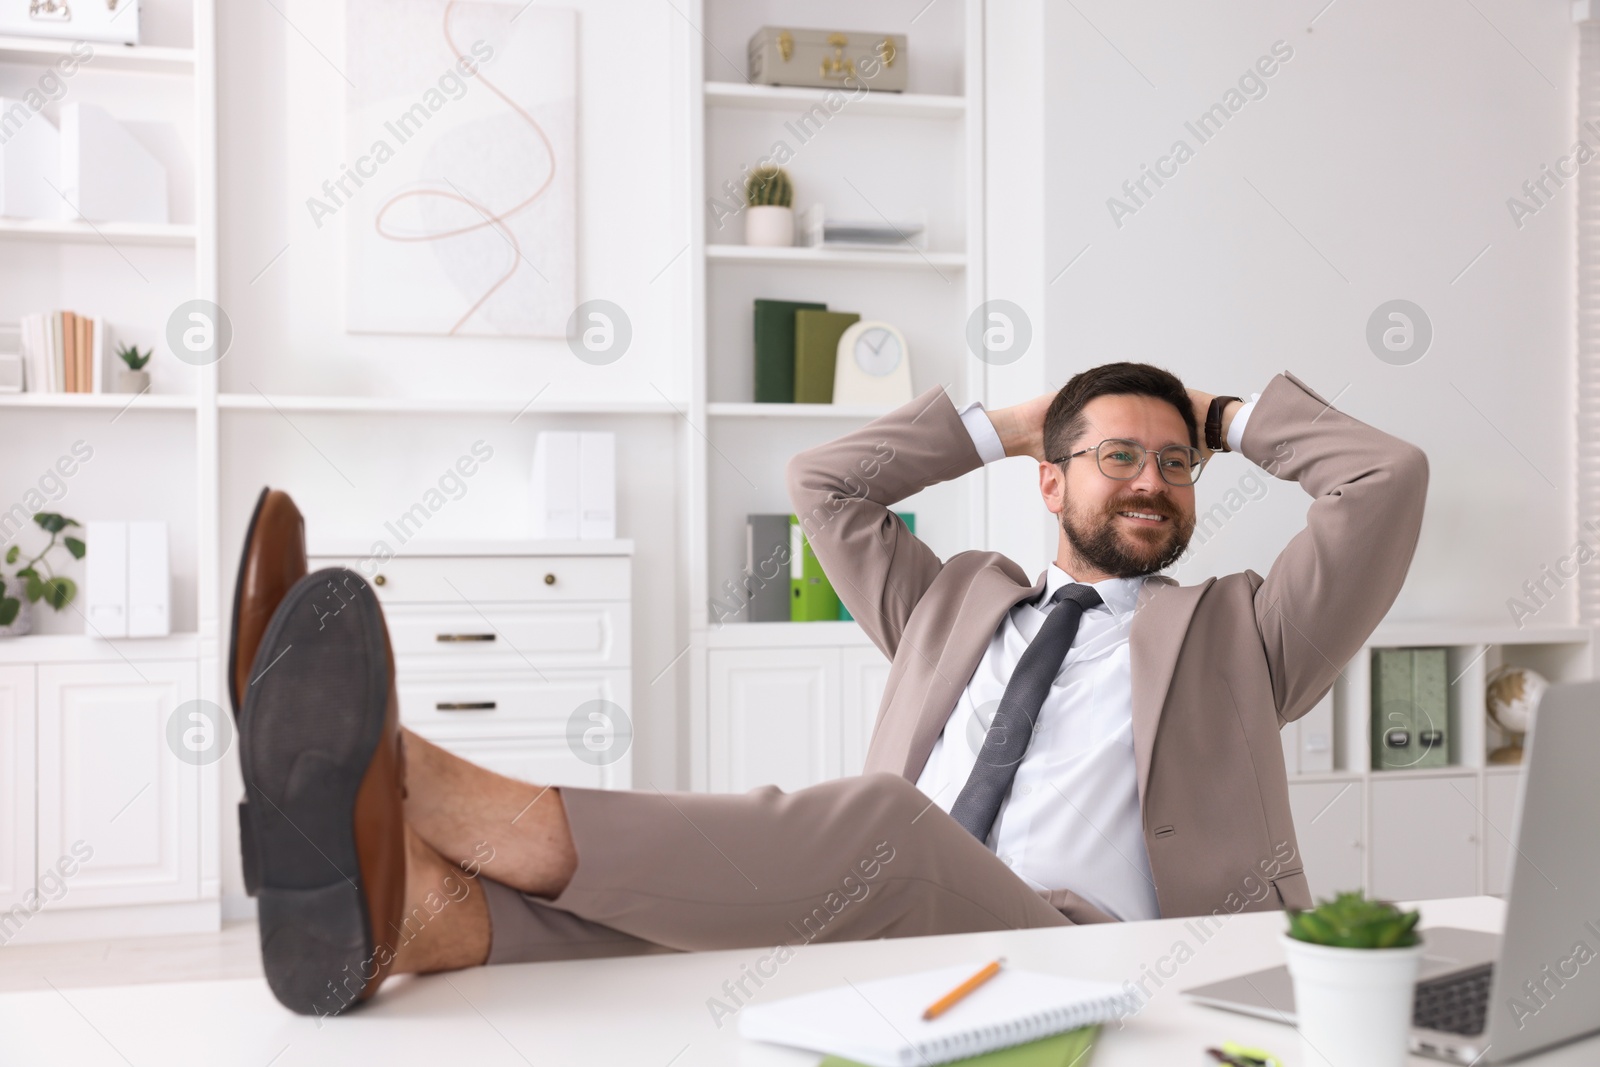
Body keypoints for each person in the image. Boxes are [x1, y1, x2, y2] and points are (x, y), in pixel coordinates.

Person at [229, 362, 1428, 1017]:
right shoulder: (952, 597)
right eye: (1116, 454)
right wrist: (1008, 420)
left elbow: (1384, 478)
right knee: (662, 905)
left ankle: (399, 771)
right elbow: (825, 482)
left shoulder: (1246, 631)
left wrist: (1222, 410)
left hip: (1098, 954)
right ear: (1049, 484)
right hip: (889, 930)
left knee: (880, 824)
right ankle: (400, 919)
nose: (1152, 478)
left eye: (1175, 461)